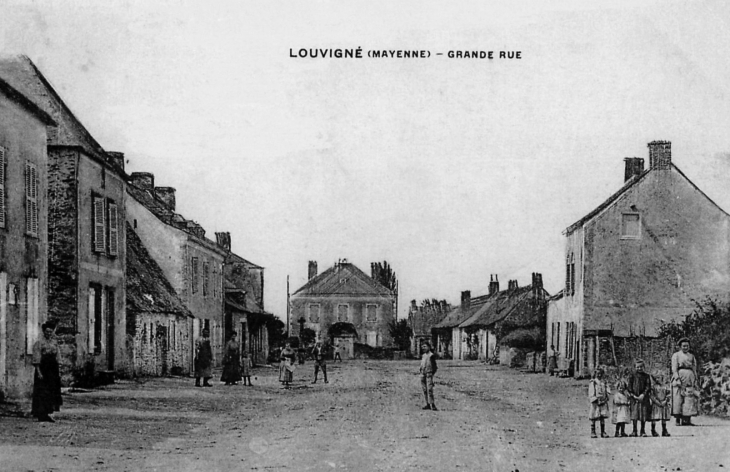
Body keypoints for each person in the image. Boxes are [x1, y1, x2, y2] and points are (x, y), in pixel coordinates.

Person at [31, 322, 63, 423]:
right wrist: (39, 372)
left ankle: (48, 412)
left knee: (51, 391)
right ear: (43, 332)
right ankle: (41, 414)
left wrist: (59, 370)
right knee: (42, 392)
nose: (48, 333)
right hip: (43, 369)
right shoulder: (39, 343)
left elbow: (58, 356)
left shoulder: (54, 342)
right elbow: (36, 359)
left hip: (53, 370)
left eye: (50, 332)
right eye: (47, 332)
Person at [671, 337, 698, 426]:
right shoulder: (676, 355)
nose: (685, 348)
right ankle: (678, 419)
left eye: (687, 346)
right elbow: (674, 368)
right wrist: (677, 378)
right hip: (680, 375)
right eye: (683, 346)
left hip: (690, 376)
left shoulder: (691, 356)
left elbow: (694, 368)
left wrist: (695, 379)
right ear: (680, 346)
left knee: (689, 398)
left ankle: (687, 419)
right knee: (678, 398)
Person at [628, 359, 652, 437]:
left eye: (641, 367)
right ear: (635, 367)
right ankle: (634, 430)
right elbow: (629, 387)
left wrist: (643, 395)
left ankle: (643, 430)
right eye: (637, 367)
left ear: (644, 367)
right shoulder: (632, 376)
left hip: (643, 398)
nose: (639, 369)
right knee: (635, 414)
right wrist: (634, 396)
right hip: (634, 398)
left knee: (643, 414)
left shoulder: (646, 376)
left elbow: (648, 387)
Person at [588, 366, 610, 438]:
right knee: (593, 416)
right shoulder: (593, 382)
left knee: (602, 416)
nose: (599, 375)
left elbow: (607, 391)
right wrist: (595, 399)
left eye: (601, 373)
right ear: (595, 374)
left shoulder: (604, 382)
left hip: (603, 401)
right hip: (595, 402)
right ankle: (593, 431)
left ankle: (603, 431)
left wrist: (606, 398)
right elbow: (591, 392)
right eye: (598, 374)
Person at [419, 342, 438, 411]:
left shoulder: (431, 355)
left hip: (429, 374)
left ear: (429, 347)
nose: (423, 348)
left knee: (429, 389)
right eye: (422, 347)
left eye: (425, 346)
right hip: (423, 374)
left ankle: (432, 404)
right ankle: (427, 404)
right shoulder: (423, 355)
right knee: (424, 389)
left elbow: (435, 367)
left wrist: (431, 374)